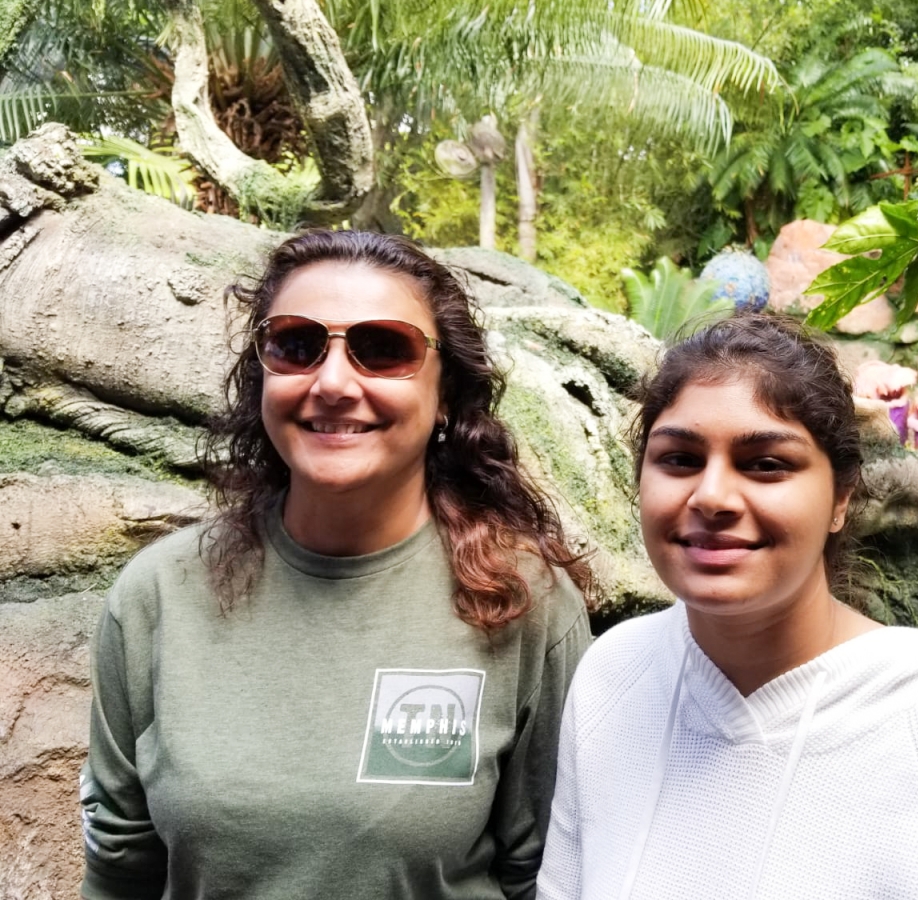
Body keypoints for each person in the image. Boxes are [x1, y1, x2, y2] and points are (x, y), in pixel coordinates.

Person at [80, 231, 593, 900]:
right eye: (297, 344)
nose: (333, 383)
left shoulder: (524, 601)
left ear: (446, 395)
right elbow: (120, 872)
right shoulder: (157, 596)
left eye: (384, 350)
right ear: (263, 374)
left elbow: (548, 877)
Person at [537, 313, 918, 900]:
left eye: (766, 464)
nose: (712, 496)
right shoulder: (613, 675)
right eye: (680, 459)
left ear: (841, 498)